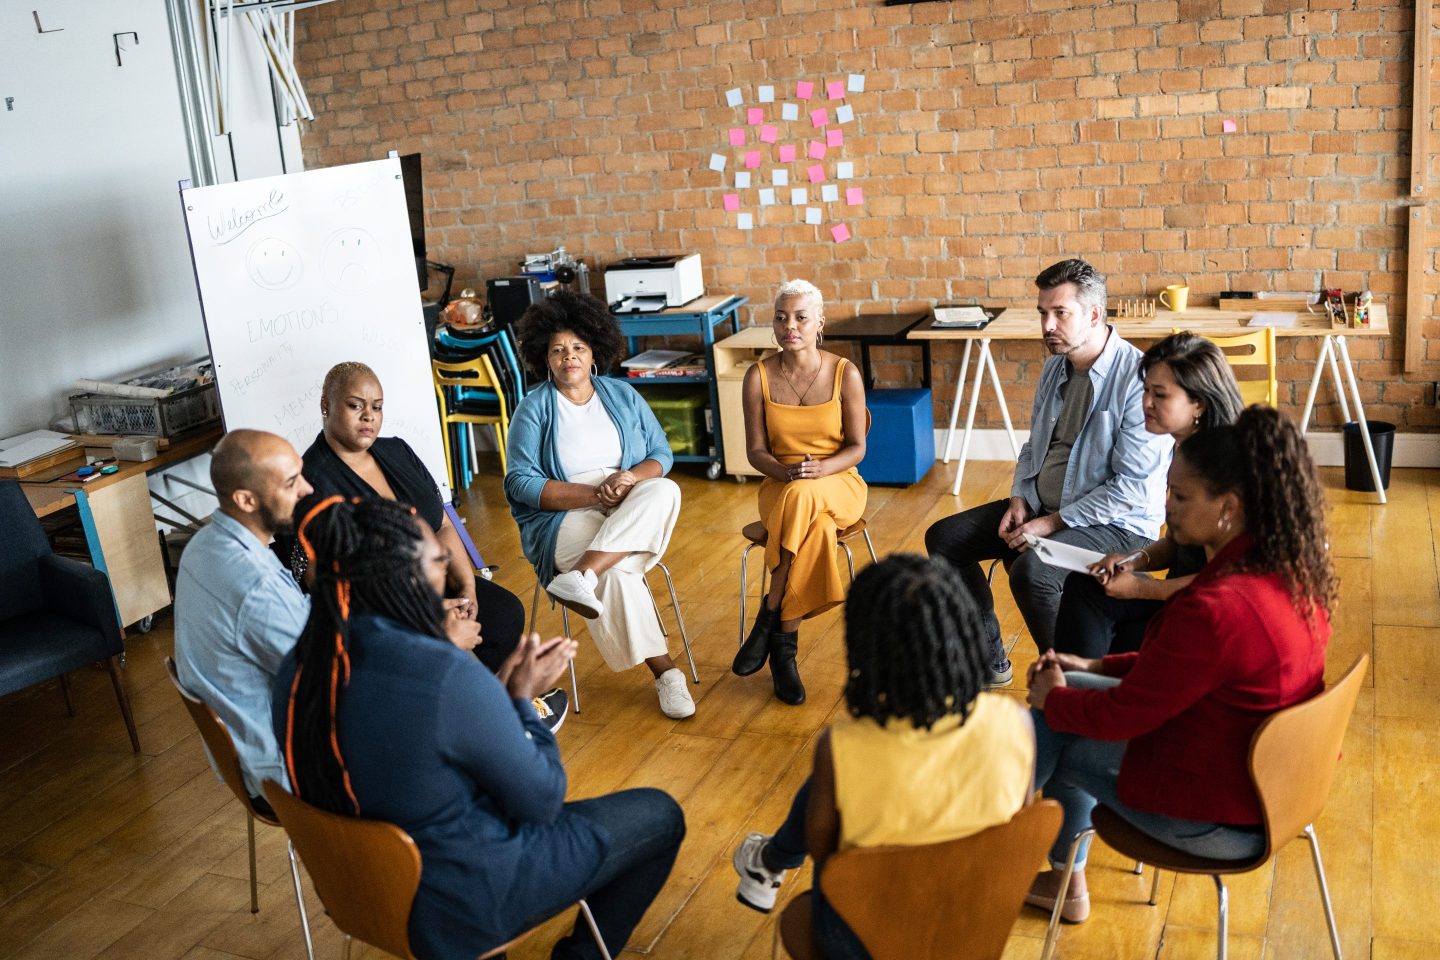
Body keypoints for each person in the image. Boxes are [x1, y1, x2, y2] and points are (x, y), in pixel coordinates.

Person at [272, 495, 686, 960]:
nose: (448, 563)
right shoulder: (442, 674)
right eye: (436, 558)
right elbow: (542, 801)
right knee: (660, 814)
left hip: (359, 893)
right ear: (402, 579)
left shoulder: (298, 666)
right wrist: (520, 705)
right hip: (461, 902)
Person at [1023, 406, 1334, 924]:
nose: (1167, 505)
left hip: (1221, 815)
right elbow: (1174, 672)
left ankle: (973, 849)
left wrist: (1055, 700)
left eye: (1181, 495)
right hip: (1275, 788)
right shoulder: (1288, 573)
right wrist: (1093, 666)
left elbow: (1126, 716)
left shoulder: (1220, 607)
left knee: (1052, 726)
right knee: (1071, 692)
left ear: (1228, 508)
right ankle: (1039, 868)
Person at [731, 555, 1035, 959]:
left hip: (859, 937)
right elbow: (1021, 822)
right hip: (973, 924)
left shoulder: (843, 747)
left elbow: (825, 855)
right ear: (964, 637)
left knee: (837, 785)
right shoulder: (1016, 722)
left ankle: (770, 859)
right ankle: (770, 858)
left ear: (865, 649)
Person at [925, 258, 1170, 683]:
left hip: (1119, 525)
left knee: (1033, 573)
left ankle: (1072, 680)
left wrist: (1050, 524)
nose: (1046, 326)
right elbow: (1033, 447)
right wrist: (1020, 497)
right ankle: (990, 660)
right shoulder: (1055, 366)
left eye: (1060, 313)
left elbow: (1129, 489)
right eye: (1042, 312)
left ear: (1094, 314)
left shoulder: (1136, 380)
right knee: (944, 539)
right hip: (1046, 507)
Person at [504, 291, 695, 719]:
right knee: (618, 576)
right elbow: (519, 482)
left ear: (594, 353)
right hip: (564, 512)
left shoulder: (622, 395)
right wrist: (595, 494)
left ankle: (583, 575)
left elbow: (661, 455)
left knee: (666, 490)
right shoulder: (533, 409)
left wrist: (628, 478)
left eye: (577, 348)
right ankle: (667, 673)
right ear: (545, 359)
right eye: (557, 351)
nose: (568, 357)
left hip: (626, 497)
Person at [1053, 333, 1244, 659]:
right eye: (1144, 391)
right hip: (1179, 594)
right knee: (1084, 587)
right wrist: (1135, 560)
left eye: (1159, 395)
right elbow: (1180, 544)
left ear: (1198, 403)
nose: (1145, 403)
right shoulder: (1184, 448)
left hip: (1210, 614)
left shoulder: (1221, 468)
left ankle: (1077, 694)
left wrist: (1143, 587)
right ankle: (1076, 691)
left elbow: (1225, 582)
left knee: (1112, 628)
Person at [731, 279, 867, 706]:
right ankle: (783, 646)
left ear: (819, 323)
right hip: (781, 486)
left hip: (839, 482)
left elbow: (858, 448)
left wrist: (821, 468)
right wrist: (787, 473)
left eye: (801, 317)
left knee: (808, 497)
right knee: (816, 528)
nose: (790, 325)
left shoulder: (845, 373)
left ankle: (768, 614)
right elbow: (756, 452)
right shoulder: (757, 377)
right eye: (781, 317)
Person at [173, 429, 313, 805]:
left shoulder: (204, 544)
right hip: (289, 773)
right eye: (291, 482)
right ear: (246, 499)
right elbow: (330, 678)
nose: (307, 489)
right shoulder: (257, 584)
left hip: (248, 754)